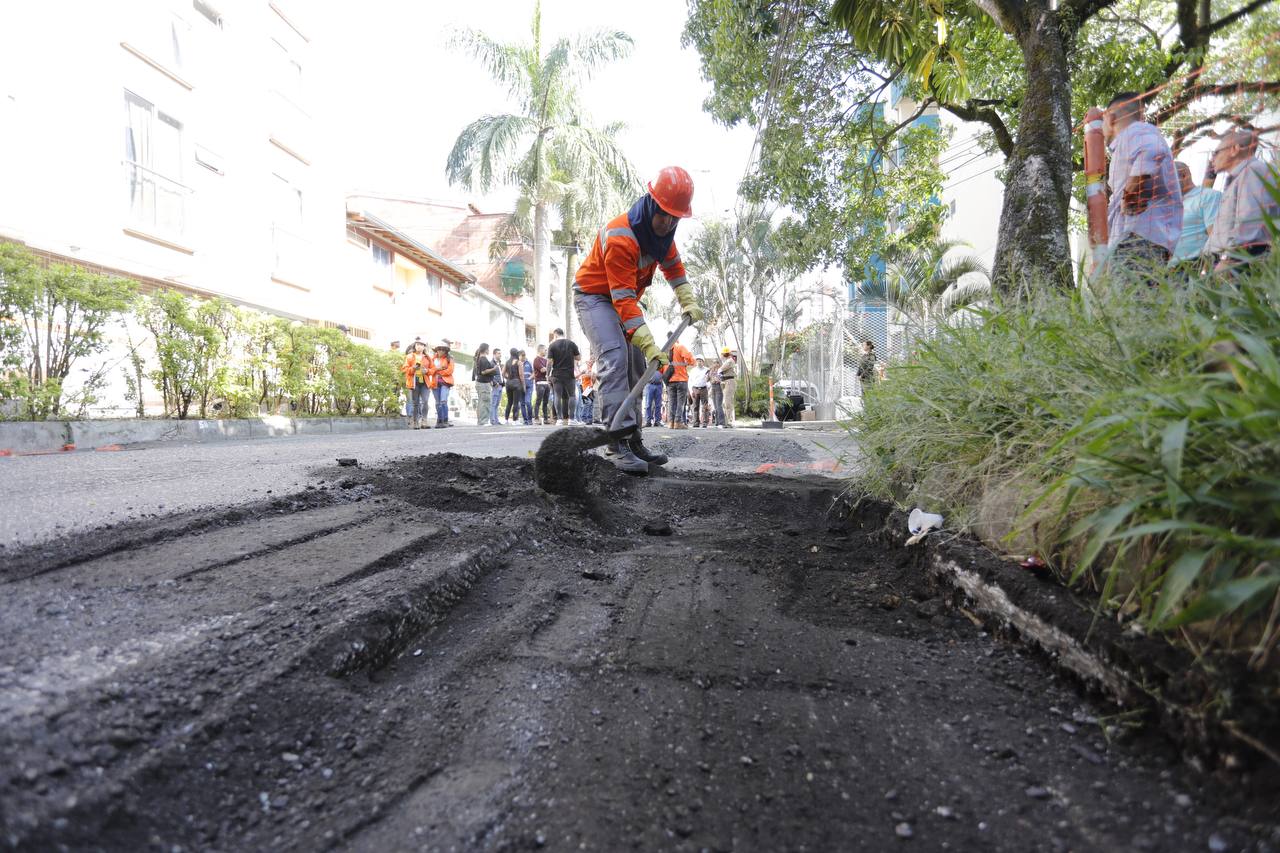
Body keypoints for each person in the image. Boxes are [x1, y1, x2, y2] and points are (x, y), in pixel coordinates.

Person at [572, 166, 702, 472]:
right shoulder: (621, 236)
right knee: (615, 358)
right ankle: (614, 444)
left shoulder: (663, 238)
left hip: (621, 299)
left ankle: (632, 439)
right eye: (664, 214)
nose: (668, 222)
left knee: (636, 365)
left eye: (675, 218)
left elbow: (675, 270)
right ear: (651, 204)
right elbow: (623, 301)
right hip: (594, 297)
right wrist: (647, 341)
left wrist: (688, 300)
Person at [1102, 91, 1182, 274]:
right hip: (1137, 239)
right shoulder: (1133, 136)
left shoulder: (1136, 131)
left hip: (1136, 240)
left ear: (1110, 117)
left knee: (1131, 300)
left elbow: (1151, 150)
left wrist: (1131, 194)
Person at [1207, 129, 1279, 273]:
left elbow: (1250, 223)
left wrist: (1229, 260)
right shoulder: (1241, 176)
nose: (1212, 159)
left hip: (1239, 262)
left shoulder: (1253, 171)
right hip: (1228, 260)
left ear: (1234, 149)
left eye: (1216, 152)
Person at [546, 328, 580, 426]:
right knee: (572, 395)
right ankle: (571, 419)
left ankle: (559, 419)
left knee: (557, 396)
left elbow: (549, 362)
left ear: (555, 335)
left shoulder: (552, 346)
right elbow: (578, 357)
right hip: (569, 374)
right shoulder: (571, 344)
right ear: (563, 334)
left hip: (556, 375)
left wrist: (547, 375)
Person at [402, 341, 432, 429]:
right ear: (415, 346)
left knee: (425, 401)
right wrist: (413, 368)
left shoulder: (427, 357)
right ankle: (415, 422)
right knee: (416, 403)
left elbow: (433, 369)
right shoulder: (410, 356)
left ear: (424, 347)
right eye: (418, 345)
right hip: (414, 382)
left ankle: (424, 421)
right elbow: (404, 369)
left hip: (425, 382)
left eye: (421, 345)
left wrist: (427, 371)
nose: (419, 346)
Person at [666, 335, 693, 429]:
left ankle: (671, 423)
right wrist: (687, 363)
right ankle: (678, 422)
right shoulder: (679, 346)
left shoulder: (665, 349)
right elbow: (691, 359)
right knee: (680, 403)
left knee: (671, 402)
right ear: (676, 338)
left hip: (669, 380)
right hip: (681, 379)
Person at [429, 342, 455, 428]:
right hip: (435, 382)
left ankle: (445, 420)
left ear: (445, 351)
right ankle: (439, 420)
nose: (440, 351)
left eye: (443, 349)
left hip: (445, 382)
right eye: (439, 349)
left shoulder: (449, 359)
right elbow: (430, 371)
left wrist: (438, 372)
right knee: (437, 402)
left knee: (443, 401)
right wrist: (437, 368)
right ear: (436, 350)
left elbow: (450, 371)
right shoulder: (432, 359)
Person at [472, 343, 498, 426]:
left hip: (481, 383)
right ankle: (483, 421)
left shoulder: (480, 358)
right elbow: (483, 372)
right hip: (483, 384)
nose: (489, 350)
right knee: (485, 402)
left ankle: (481, 421)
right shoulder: (483, 359)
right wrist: (494, 369)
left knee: (482, 402)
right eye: (488, 349)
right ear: (485, 349)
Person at [716, 347, 738, 429]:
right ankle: (728, 421)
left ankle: (730, 422)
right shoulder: (727, 361)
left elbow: (720, 369)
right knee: (726, 402)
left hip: (729, 381)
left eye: (722, 354)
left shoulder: (730, 361)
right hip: (726, 381)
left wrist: (719, 370)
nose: (721, 356)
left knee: (728, 402)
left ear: (725, 354)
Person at [503, 347, 524, 424]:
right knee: (516, 402)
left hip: (508, 383)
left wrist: (508, 377)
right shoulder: (519, 362)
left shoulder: (507, 362)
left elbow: (503, 373)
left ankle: (506, 419)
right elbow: (521, 375)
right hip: (516, 383)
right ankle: (515, 420)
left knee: (509, 402)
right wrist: (523, 384)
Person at [688, 356, 710, 428]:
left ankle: (704, 422)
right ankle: (696, 422)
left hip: (704, 389)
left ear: (703, 362)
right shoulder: (693, 370)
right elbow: (690, 381)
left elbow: (709, 380)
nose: (699, 362)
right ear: (696, 362)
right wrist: (691, 391)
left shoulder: (707, 370)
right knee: (695, 406)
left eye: (700, 361)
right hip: (695, 389)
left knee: (705, 406)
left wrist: (708, 387)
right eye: (698, 361)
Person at [532, 344, 551, 425]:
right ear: (540, 350)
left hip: (547, 383)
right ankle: (536, 418)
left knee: (546, 402)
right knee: (538, 401)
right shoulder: (536, 360)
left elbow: (549, 370)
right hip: (540, 383)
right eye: (545, 350)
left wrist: (548, 369)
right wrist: (549, 368)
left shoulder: (546, 360)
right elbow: (543, 370)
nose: (546, 351)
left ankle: (546, 419)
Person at [578, 358, 596, 425]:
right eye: (589, 361)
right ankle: (583, 418)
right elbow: (582, 376)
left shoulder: (593, 369)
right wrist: (590, 374)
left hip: (591, 388)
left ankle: (590, 419)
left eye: (592, 361)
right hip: (585, 388)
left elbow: (594, 376)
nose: (591, 362)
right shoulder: (585, 369)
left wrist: (591, 375)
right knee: (587, 403)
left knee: (591, 403)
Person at [519, 349, 534, 425]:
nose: (524, 356)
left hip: (529, 386)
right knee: (522, 403)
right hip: (520, 386)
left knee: (528, 402)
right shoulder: (518, 363)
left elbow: (534, 373)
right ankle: (525, 420)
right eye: (522, 355)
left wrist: (529, 378)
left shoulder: (529, 363)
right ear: (519, 356)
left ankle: (530, 419)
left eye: (524, 355)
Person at [709, 358, 724, 427]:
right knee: (715, 406)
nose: (715, 364)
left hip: (718, 387)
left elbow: (720, 379)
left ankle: (721, 422)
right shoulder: (711, 371)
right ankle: (717, 422)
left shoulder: (720, 370)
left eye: (716, 363)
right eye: (714, 363)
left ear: (719, 364)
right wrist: (710, 373)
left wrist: (716, 378)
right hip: (712, 387)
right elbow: (707, 379)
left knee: (719, 405)